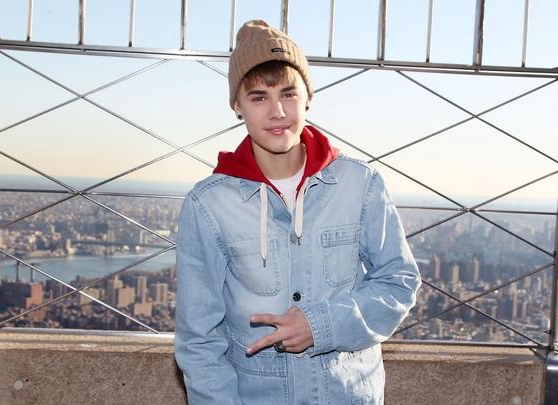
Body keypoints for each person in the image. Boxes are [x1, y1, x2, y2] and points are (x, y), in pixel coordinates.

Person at [174, 19, 421, 404]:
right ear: (237, 106)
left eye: (288, 94)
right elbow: (199, 338)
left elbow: (398, 282)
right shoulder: (209, 204)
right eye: (258, 98)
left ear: (308, 96)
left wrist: (321, 326)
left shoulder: (360, 184)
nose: (277, 111)